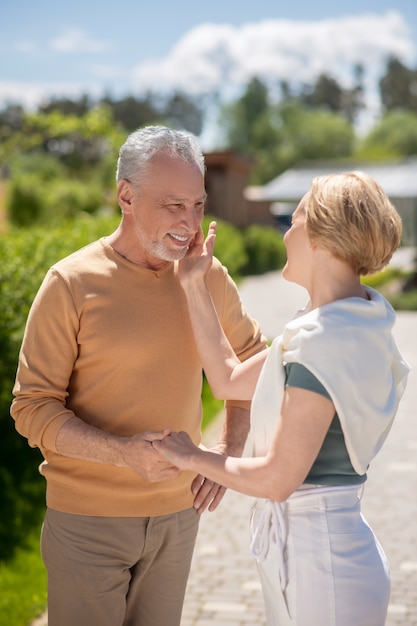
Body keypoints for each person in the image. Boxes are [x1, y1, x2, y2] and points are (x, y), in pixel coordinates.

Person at [10, 125, 267, 626]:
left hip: (179, 517)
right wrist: (124, 455)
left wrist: (230, 449)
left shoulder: (206, 274)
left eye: (197, 204)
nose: (189, 223)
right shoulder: (71, 282)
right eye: (173, 204)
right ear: (126, 195)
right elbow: (31, 407)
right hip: (87, 522)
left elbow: (255, 364)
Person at [153, 171, 411, 626]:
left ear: (322, 235)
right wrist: (195, 283)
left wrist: (191, 456)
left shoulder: (323, 340)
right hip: (323, 557)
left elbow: (276, 480)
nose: (285, 234)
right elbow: (230, 381)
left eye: (294, 221)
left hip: (320, 569)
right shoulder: (353, 320)